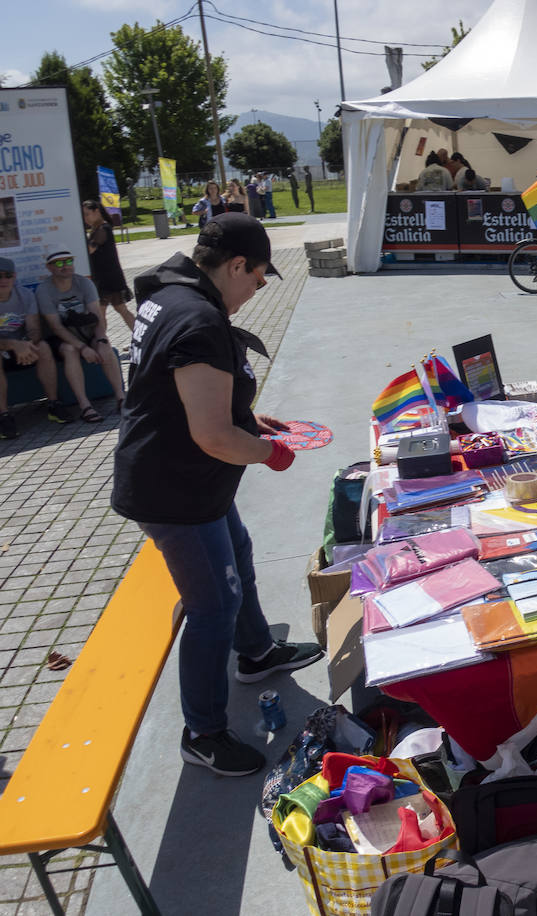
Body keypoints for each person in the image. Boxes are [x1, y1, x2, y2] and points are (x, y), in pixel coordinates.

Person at [111, 213, 323, 777]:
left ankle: (255, 654)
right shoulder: (199, 320)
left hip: (183, 477)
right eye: (257, 279)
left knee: (240, 554)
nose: (257, 291)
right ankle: (203, 732)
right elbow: (211, 435)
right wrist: (269, 452)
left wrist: (247, 418)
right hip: (176, 491)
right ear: (235, 266)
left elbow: (184, 394)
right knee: (212, 608)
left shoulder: (170, 292)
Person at [35, 250, 125, 422]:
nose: (65, 266)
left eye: (68, 261)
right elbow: (56, 327)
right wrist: (83, 348)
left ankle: (121, 397)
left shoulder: (84, 283)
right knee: (70, 350)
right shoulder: (44, 290)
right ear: (49, 267)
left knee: (105, 348)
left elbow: (97, 317)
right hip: (61, 338)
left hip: (86, 330)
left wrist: (101, 339)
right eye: (59, 263)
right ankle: (85, 405)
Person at [0, 257, 71, 437]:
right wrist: (14, 344)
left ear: (14, 276)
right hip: (4, 350)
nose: (3, 280)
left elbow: (34, 329)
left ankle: (54, 404)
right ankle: (3, 415)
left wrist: (26, 346)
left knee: (44, 347)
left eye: (7, 275)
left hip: (23, 349)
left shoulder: (25, 295)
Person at [83, 199, 135, 331]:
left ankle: (103, 341)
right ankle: (141, 338)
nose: (86, 218)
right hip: (106, 277)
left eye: (87, 214)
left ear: (97, 212)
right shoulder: (98, 229)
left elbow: (91, 249)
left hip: (107, 279)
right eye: (84, 215)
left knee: (103, 313)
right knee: (119, 310)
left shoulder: (103, 229)